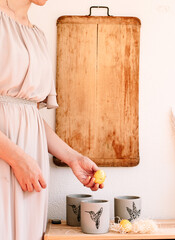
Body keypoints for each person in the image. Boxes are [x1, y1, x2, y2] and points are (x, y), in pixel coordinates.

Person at [0, 0, 104, 239]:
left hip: (30, 168)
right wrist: (16, 158)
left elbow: (29, 116)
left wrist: (73, 158)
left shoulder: (38, 36)